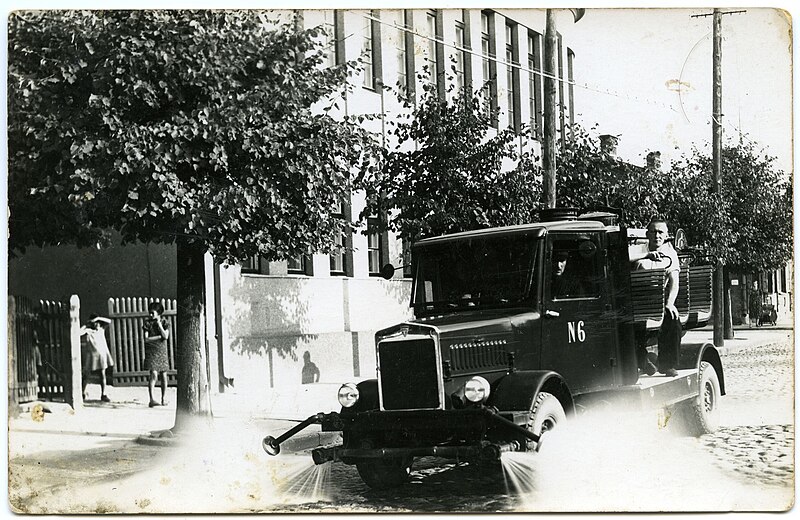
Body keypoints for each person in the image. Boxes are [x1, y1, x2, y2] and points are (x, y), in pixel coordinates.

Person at [632, 217, 680, 377]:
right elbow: (623, 259)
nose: (656, 235)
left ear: (666, 235)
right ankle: (642, 361)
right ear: (647, 234)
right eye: (653, 232)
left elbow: (674, 282)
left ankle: (667, 365)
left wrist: (670, 303)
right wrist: (646, 256)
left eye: (660, 232)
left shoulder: (670, 254)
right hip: (638, 298)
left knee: (672, 319)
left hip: (659, 299)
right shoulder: (638, 249)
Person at [80, 314, 114, 402]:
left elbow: (109, 321)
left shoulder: (101, 329)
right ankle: (82, 393)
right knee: (86, 375)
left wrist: (98, 318)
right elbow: (79, 333)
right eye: (94, 323)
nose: (96, 324)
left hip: (102, 355)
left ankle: (103, 394)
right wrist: (85, 325)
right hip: (91, 356)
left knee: (102, 375)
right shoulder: (88, 331)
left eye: (97, 322)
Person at [143, 301, 170, 407]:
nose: (150, 315)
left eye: (152, 313)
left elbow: (166, 336)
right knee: (153, 374)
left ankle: (163, 398)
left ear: (159, 313)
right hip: (151, 351)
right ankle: (152, 399)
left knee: (163, 375)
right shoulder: (147, 323)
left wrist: (159, 325)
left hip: (162, 351)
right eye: (149, 312)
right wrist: (159, 337)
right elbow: (146, 339)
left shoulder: (164, 322)